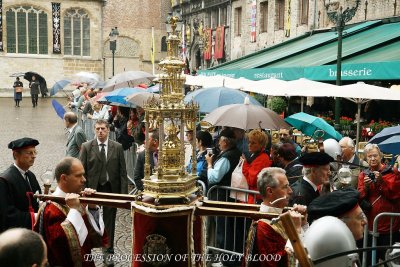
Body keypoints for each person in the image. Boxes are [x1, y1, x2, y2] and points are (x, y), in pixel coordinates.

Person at [35, 157, 106, 267]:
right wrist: (75, 211)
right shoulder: (50, 209)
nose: (84, 180)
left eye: (83, 174)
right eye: (78, 175)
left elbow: (93, 240)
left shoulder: (77, 201)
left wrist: (91, 208)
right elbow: (63, 248)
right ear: (64, 178)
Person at [79, 119, 127, 264]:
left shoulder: (117, 147)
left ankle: (108, 250)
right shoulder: (87, 147)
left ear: (108, 131)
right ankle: (88, 248)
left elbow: (122, 172)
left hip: (110, 189)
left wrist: (123, 195)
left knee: (109, 221)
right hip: (92, 190)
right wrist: (82, 191)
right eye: (98, 129)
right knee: (90, 219)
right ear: (95, 130)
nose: (100, 131)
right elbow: (81, 171)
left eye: (103, 129)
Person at [243, 167, 307, 267]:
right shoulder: (262, 226)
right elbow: (278, 263)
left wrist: (303, 225)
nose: (290, 191)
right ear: (270, 191)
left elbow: (306, 251)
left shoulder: (283, 214)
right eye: (285, 187)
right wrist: (296, 231)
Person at [357, 143, 400, 262]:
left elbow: (395, 195)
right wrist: (365, 188)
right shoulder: (363, 174)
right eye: (369, 156)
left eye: (375, 155)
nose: (372, 159)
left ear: (380, 156)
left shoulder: (392, 172)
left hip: (389, 227)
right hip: (370, 225)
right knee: (369, 260)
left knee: (389, 261)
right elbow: (359, 197)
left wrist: (381, 182)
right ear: (366, 158)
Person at [0, 137, 41, 231]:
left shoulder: (31, 176)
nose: (34, 156)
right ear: (15, 155)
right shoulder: (4, 180)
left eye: (35, 152)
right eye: (29, 153)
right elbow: (7, 214)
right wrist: (34, 216)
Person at [206, 128, 241, 200]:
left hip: (221, 197)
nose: (218, 143)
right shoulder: (237, 152)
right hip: (229, 196)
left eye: (219, 141)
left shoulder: (226, 157)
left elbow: (214, 178)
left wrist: (209, 164)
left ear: (225, 142)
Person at [242, 129, 272, 204]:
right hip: (250, 197)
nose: (250, 145)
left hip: (254, 198)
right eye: (249, 142)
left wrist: (244, 163)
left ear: (261, 145)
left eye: (253, 143)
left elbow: (251, 180)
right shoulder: (255, 154)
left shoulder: (262, 159)